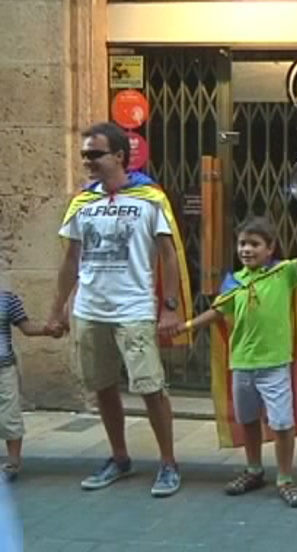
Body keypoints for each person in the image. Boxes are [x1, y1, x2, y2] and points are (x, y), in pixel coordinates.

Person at [47, 122, 190, 497]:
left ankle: (168, 463)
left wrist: (170, 306)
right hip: (91, 308)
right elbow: (71, 259)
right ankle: (119, 457)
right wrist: (58, 308)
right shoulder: (82, 201)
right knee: (103, 386)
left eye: (95, 154)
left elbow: (168, 255)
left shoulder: (149, 198)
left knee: (150, 387)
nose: (88, 162)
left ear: (119, 156)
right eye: (84, 155)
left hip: (135, 308)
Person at [167, 208, 297, 508]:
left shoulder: (283, 273)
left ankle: (285, 478)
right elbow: (218, 311)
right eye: (242, 243)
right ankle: (254, 470)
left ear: (270, 248)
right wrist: (186, 326)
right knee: (248, 421)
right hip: (241, 365)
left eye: (254, 244)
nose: (246, 249)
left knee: (282, 423)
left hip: (274, 366)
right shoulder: (235, 282)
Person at [0, 289, 58, 481]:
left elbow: (26, 327)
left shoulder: (7, 299)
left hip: (4, 369)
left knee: (10, 415)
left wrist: (47, 330)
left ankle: (13, 461)